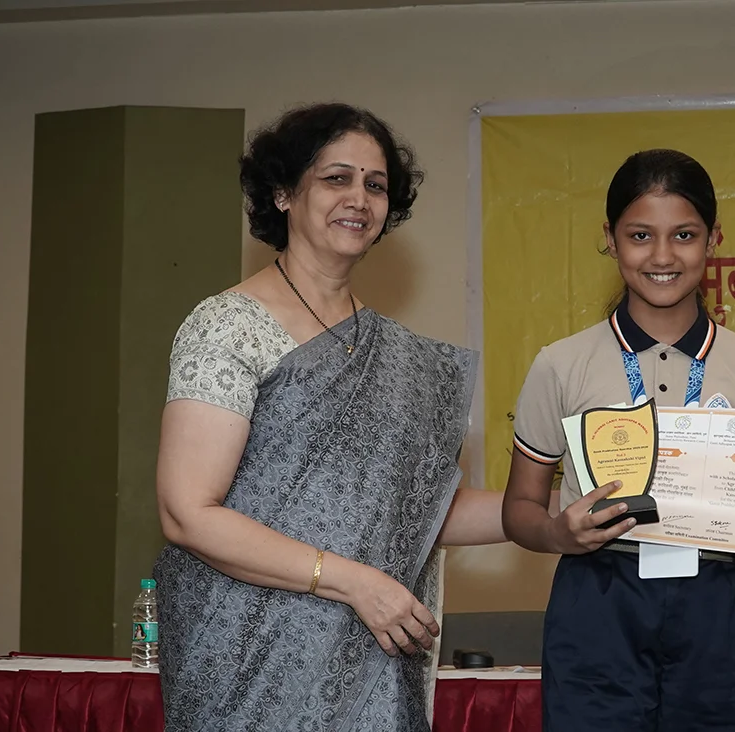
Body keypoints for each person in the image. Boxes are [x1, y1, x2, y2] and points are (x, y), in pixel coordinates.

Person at [151, 102, 505, 732]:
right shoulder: (228, 327)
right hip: (246, 663)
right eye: (336, 178)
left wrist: (550, 513)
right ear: (284, 192)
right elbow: (187, 512)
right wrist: (353, 582)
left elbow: (416, 515)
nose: (359, 199)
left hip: (370, 659)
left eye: (376, 185)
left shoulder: (400, 357)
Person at [500, 148, 735, 731]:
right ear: (610, 240)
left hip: (716, 601)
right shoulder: (561, 365)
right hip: (598, 597)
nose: (661, 256)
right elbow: (519, 509)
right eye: (640, 235)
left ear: (713, 240)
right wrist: (558, 533)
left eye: (684, 235)